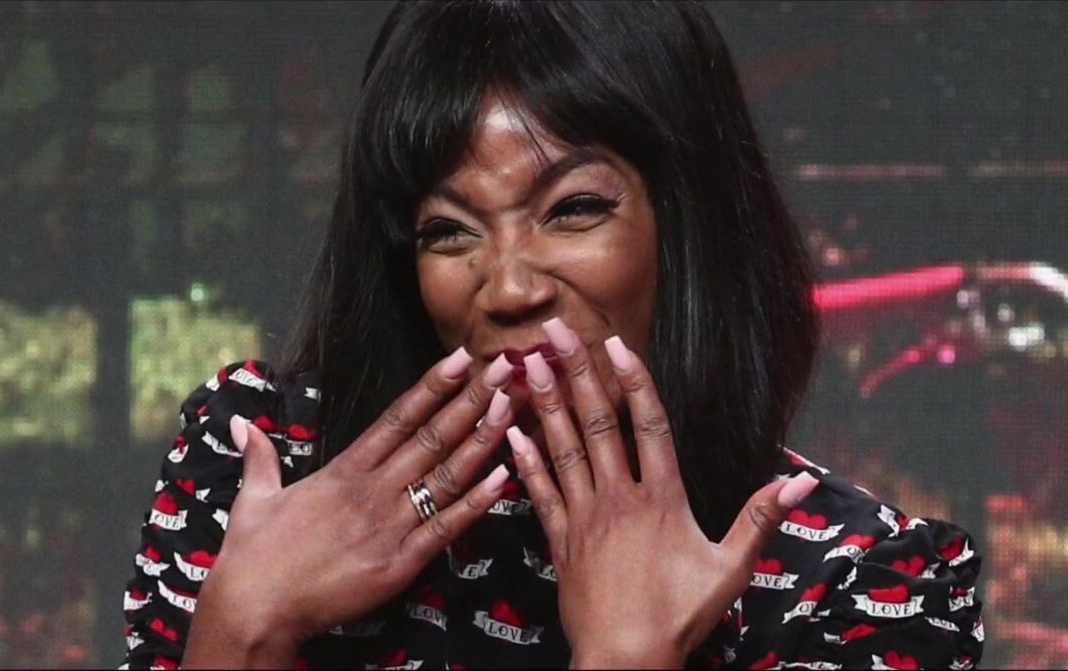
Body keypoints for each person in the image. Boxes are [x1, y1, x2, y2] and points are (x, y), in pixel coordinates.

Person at [122, 2, 984, 668]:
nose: (509, 287)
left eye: (573, 209)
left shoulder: (859, 587)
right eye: (448, 230)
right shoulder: (260, 468)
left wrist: (626, 657)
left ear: (688, 224)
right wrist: (241, 627)